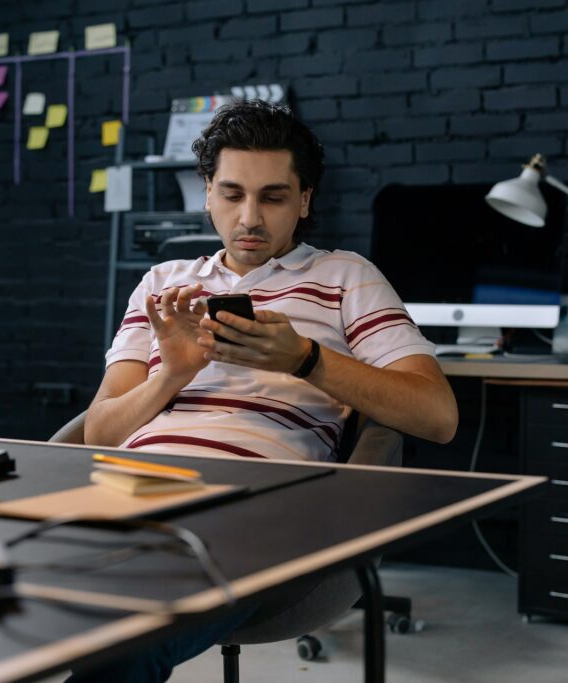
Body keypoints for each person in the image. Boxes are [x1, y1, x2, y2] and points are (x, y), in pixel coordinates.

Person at [60, 100, 457, 682]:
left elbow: (437, 415)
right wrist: (171, 374)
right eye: (231, 194)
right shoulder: (163, 282)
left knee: (126, 640)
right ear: (207, 194)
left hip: (256, 509)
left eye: (273, 197)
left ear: (304, 200)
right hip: (134, 496)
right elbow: (99, 432)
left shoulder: (347, 276)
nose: (250, 217)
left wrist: (305, 359)